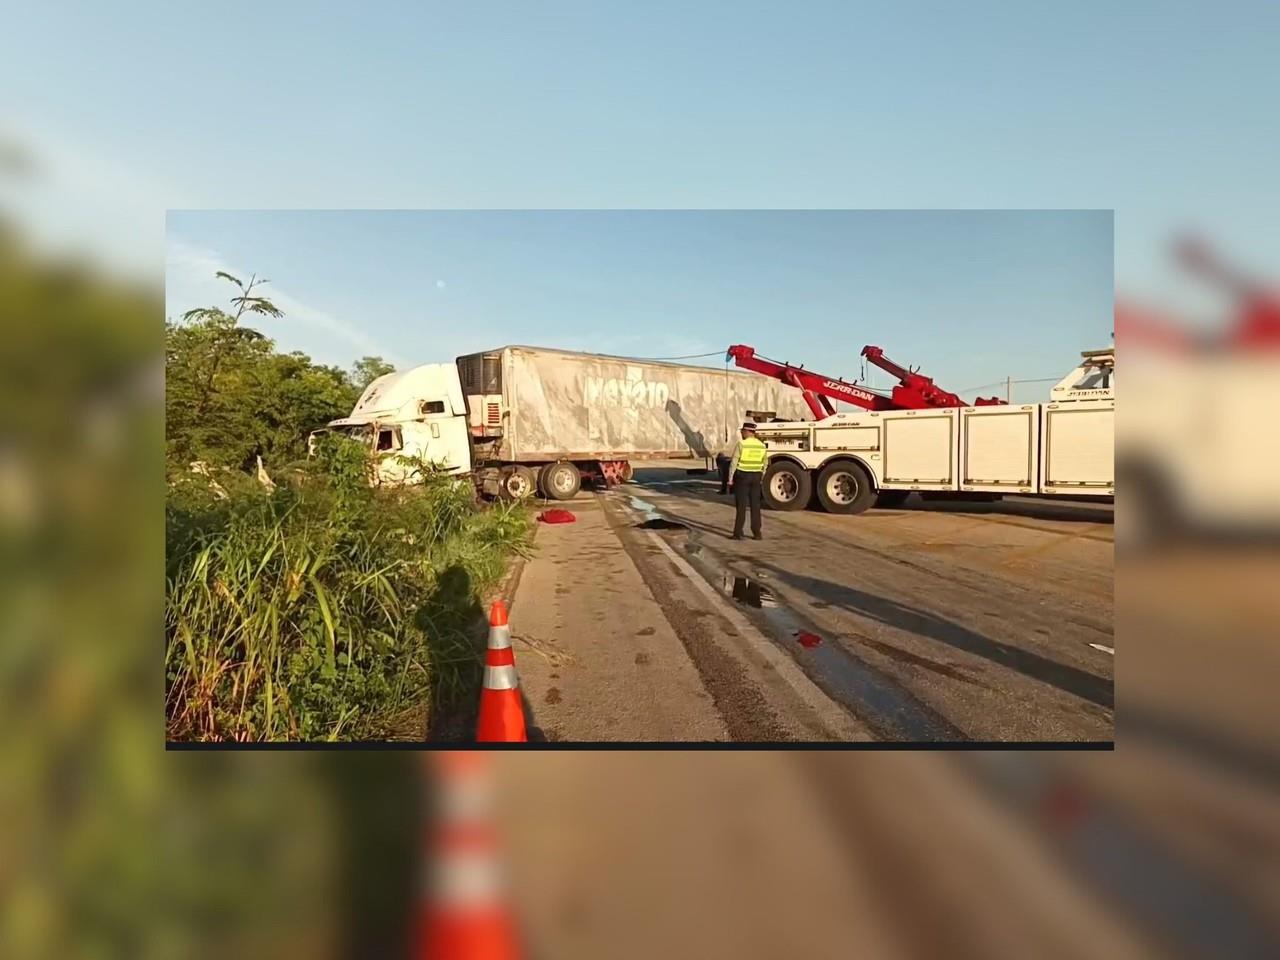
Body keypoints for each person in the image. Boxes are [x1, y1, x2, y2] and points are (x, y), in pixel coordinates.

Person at [727, 421, 767, 540]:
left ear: (747, 432)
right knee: (755, 505)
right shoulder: (761, 445)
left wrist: (730, 479)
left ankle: (738, 532)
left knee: (741, 506)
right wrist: (761, 476)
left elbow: (734, 462)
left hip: (742, 477)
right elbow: (765, 463)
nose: (741, 434)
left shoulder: (742, 444)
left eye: (742, 431)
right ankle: (757, 533)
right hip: (756, 477)